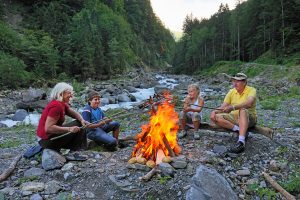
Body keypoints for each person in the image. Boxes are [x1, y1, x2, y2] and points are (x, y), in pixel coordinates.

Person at [210, 72, 257, 153]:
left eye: (238, 81)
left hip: (249, 118)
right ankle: (239, 130)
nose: (235, 83)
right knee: (215, 117)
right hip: (235, 118)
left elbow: (249, 103)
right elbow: (223, 107)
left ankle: (241, 142)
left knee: (242, 110)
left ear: (244, 82)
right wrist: (214, 111)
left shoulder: (251, 90)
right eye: (234, 81)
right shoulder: (231, 91)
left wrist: (233, 107)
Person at [37, 82, 88, 151]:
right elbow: (48, 128)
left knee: (80, 122)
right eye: (69, 93)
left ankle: (78, 148)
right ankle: (77, 150)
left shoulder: (62, 103)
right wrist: (69, 129)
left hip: (48, 138)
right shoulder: (56, 106)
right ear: (61, 93)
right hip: (46, 141)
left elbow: (72, 112)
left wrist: (82, 119)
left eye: (71, 93)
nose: (71, 95)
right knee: (78, 124)